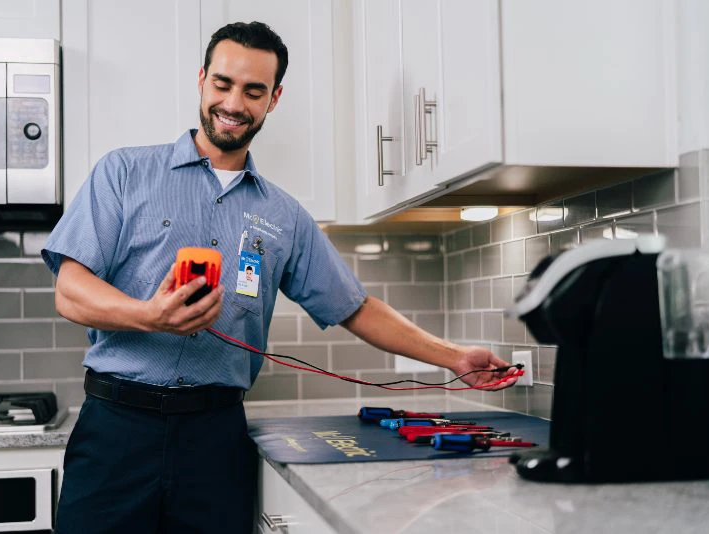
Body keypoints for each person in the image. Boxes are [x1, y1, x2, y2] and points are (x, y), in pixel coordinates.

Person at [43, 21, 518, 534]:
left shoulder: (284, 215)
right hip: (117, 429)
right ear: (202, 79)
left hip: (214, 438)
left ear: (274, 99)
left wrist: (455, 359)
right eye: (223, 84)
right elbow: (71, 290)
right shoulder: (123, 173)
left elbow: (354, 307)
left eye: (253, 91)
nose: (234, 103)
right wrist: (147, 315)